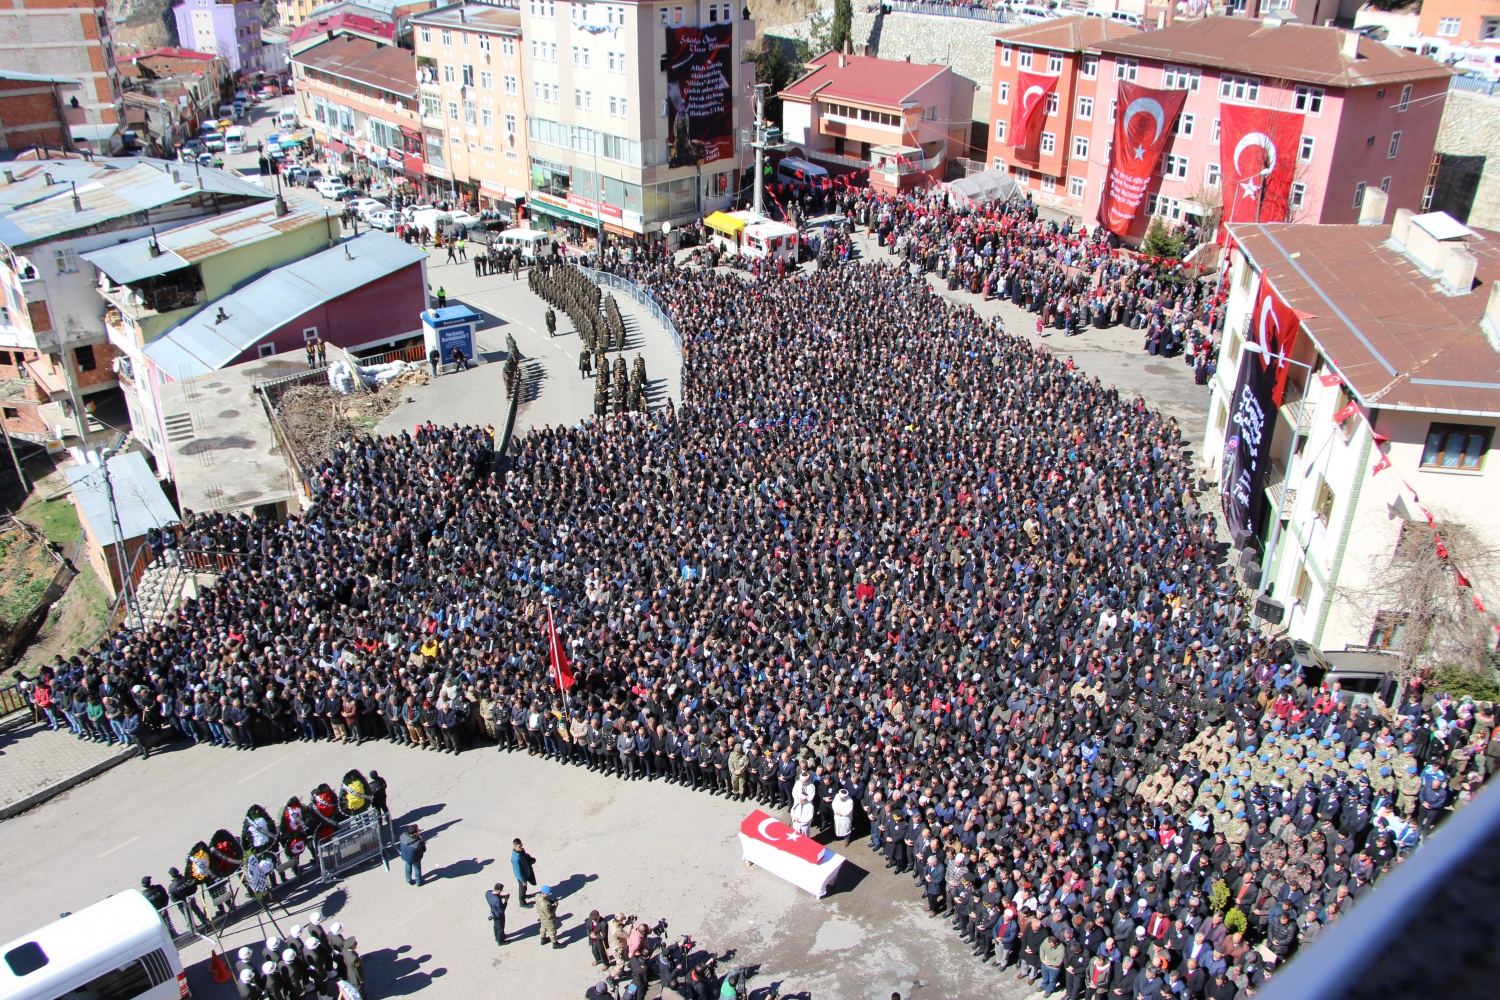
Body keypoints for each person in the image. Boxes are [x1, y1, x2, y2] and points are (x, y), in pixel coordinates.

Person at [511, 838, 536, 907]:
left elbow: (525, 856)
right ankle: (522, 902)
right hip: (521, 876)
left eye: (521, 845)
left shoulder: (521, 851)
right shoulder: (516, 859)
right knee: (522, 888)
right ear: (515, 847)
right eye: (520, 846)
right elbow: (517, 871)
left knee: (525, 887)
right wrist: (523, 881)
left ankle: (524, 895)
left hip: (526, 871)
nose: (521, 847)